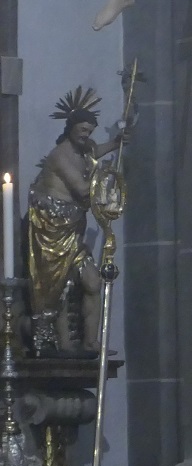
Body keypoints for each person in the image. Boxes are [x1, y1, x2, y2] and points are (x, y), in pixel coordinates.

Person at [27, 89, 128, 353]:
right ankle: (65, 345)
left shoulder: (85, 150)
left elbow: (96, 151)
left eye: (89, 131)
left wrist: (116, 142)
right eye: (82, 130)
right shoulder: (59, 155)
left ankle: (91, 342)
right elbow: (83, 190)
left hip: (74, 229)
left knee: (93, 282)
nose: (86, 135)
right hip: (53, 231)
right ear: (71, 127)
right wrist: (106, 175)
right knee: (59, 285)